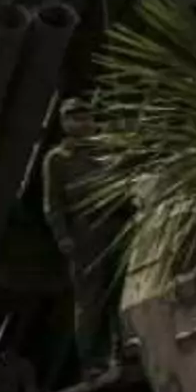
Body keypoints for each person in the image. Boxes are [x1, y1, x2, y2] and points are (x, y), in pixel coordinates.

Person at [41, 97, 123, 372]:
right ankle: (92, 361)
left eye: (84, 114)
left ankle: (119, 350)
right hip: (84, 232)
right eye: (73, 116)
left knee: (117, 293)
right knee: (90, 300)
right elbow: (53, 204)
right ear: (64, 123)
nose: (81, 120)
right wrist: (63, 236)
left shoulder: (105, 150)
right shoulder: (57, 158)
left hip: (113, 227)